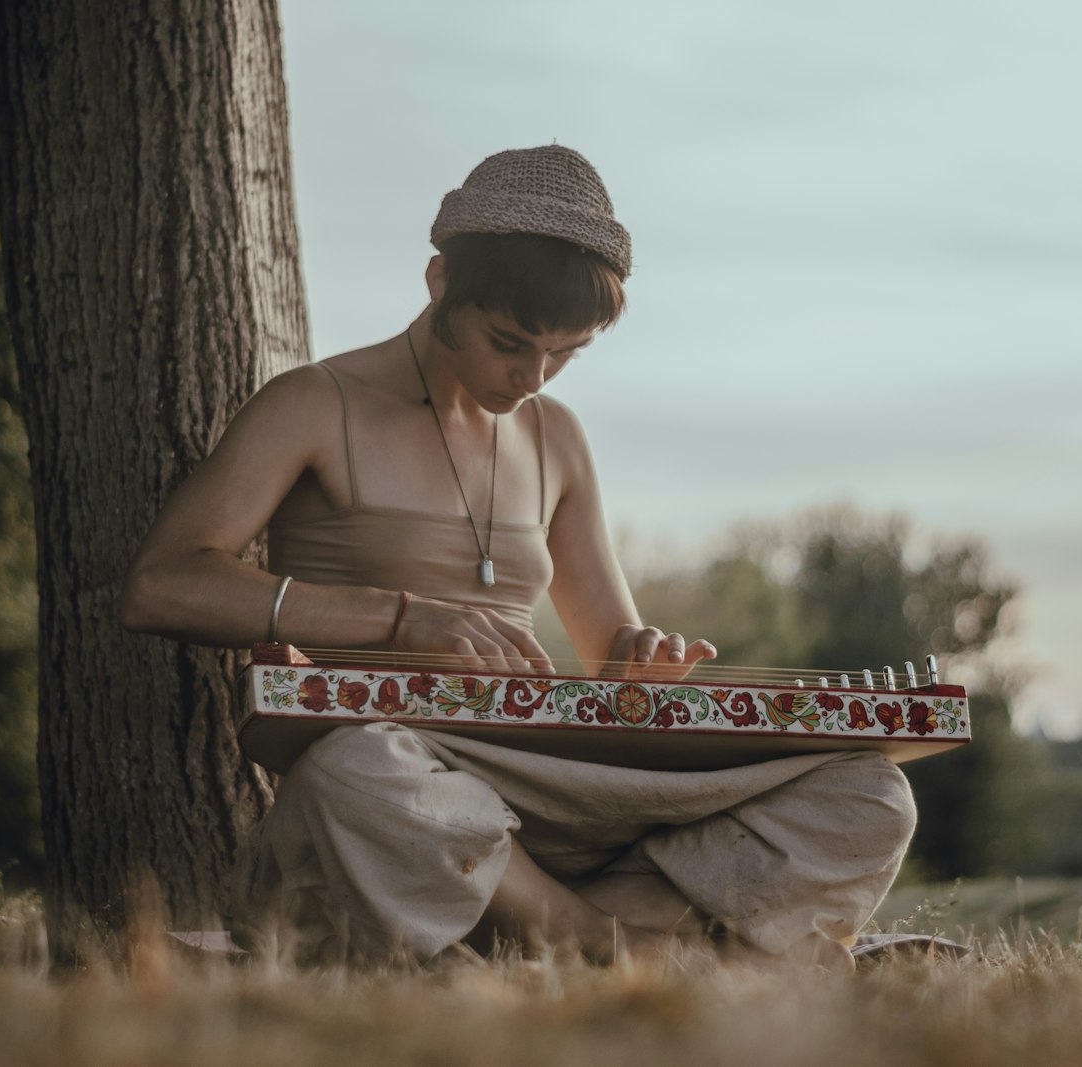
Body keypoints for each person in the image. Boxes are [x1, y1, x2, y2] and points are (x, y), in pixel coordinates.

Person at [121, 145, 915, 969]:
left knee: (867, 791)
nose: (533, 376)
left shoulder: (557, 440)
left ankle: (535, 931)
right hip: (416, 782)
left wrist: (641, 661)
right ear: (440, 285)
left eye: (565, 352)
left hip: (560, 788)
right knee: (352, 768)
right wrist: (398, 615)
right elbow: (160, 584)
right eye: (510, 342)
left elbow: (615, 649)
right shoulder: (315, 405)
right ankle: (607, 942)